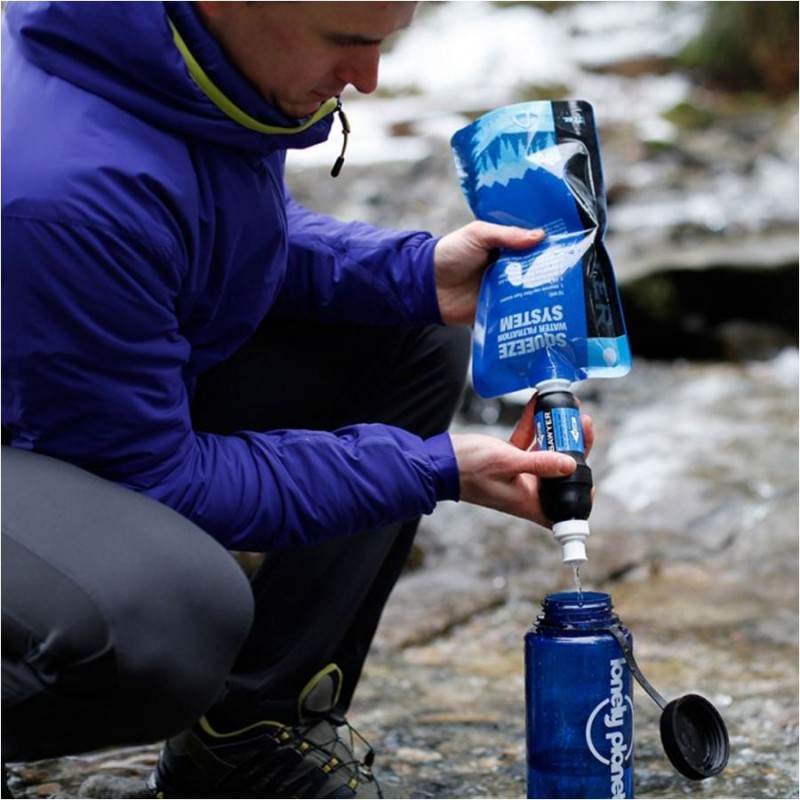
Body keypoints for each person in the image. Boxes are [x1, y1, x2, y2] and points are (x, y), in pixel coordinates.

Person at [1, 3, 593, 798]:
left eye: (384, 44)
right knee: (166, 621)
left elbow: (213, 227)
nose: (368, 80)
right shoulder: (63, 188)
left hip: (54, 390)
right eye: (347, 44)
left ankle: (246, 737)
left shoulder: (190, 62)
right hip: (37, 429)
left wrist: (414, 274)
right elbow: (156, 481)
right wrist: (429, 469)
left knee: (412, 334)